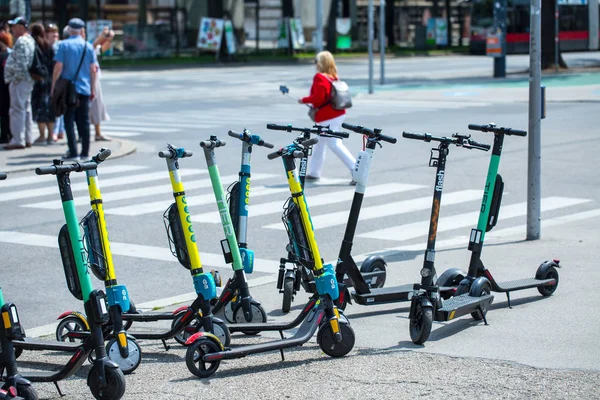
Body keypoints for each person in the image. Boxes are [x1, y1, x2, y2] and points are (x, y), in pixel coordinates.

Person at [298, 50, 356, 185]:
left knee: (334, 143)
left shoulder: (319, 77)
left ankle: (356, 169)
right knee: (319, 143)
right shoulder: (333, 77)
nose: (315, 64)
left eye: (316, 61)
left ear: (320, 63)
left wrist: (304, 99)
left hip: (327, 116)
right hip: (338, 113)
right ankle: (314, 172)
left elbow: (318, 98)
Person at [51, 18, 97, 161]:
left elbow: (58, 67)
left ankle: (73, 151)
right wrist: (93, 88)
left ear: (69, 30)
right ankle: (85, 152)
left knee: (68, 120)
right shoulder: (87, 46)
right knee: (84, 121)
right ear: (82, 30)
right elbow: (93, 70)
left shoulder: (63, 45)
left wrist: (53, 86)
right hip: (84, 89)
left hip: (67, 89)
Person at [3, 16, 35, 150]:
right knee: (26, 110)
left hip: (20, 81)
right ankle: (27, 138)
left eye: (14, 27)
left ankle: (17, 139)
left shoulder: (22, 41)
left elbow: (22, 64)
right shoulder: (29, 39)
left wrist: (15, 78)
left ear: (21, 27)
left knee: (17, 110)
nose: (11, 29)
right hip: (26, 81)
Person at [30, 22, 55, 145]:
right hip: (50, 80)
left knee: (39, 108)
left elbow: (34, 64)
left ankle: (42, 135)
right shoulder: (49, 46)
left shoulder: (34, 45)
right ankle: (51, 136)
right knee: (50, 109)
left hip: (39, 81)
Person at [89, 26, 113, 141]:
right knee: (89, 107)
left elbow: (103, 48)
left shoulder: (90, 46)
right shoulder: (86, 46)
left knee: (97, 105)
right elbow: (95, 45)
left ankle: (98, 132)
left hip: (94, 78)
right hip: (87, 79)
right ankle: (83, 134)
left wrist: (108, 39)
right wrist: (103, 36)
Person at [46, 23, 63, 142]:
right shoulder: (47, 46)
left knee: (57, 106)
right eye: (52, 32)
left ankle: (56, 132)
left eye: (56, 32)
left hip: (58, 79)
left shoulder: (59, 46)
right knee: (57, 106)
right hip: (50, 78)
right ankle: (59, 131)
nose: (55, 34)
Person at [0, 31, 12, 144]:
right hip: (7, 85)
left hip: (5, 86)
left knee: (5, 112)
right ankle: (7, 134)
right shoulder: (10, 54)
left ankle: (5, 135)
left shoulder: (8, 54)